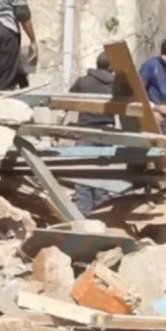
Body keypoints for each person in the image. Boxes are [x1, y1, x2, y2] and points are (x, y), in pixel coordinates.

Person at [68, 52, 115, 216]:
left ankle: (83, 216)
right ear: (111, 67)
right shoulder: (116, 84)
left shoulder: (83, 81)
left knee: (83, 175)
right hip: (107, 133)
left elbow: (69, 98)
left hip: (86, 131)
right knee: (104, 176)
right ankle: (102, 215)